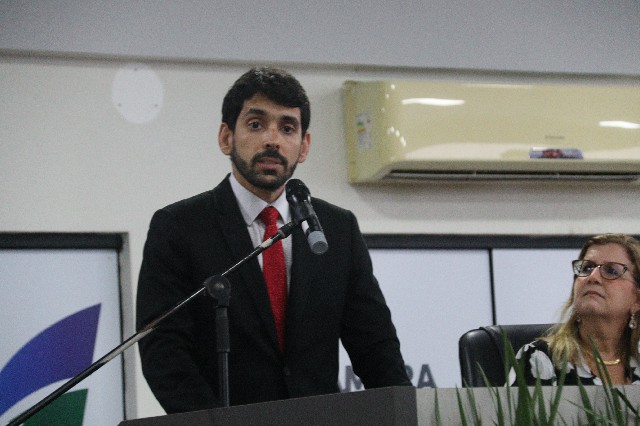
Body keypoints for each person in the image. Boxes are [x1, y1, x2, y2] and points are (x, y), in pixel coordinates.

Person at [136, 66, 411, 414]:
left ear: (304, 146)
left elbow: (375, 346)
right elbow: (164, 352)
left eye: (287, 128)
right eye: (256, 124)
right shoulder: (180, 227)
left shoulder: (337, 228)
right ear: (226, 137)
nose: (272, 140)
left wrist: (407, 413)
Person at [509, 233, 640, 386]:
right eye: (586, 268)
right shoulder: (539, 358)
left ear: (637, 300)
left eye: (611, 270)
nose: (592, 277)